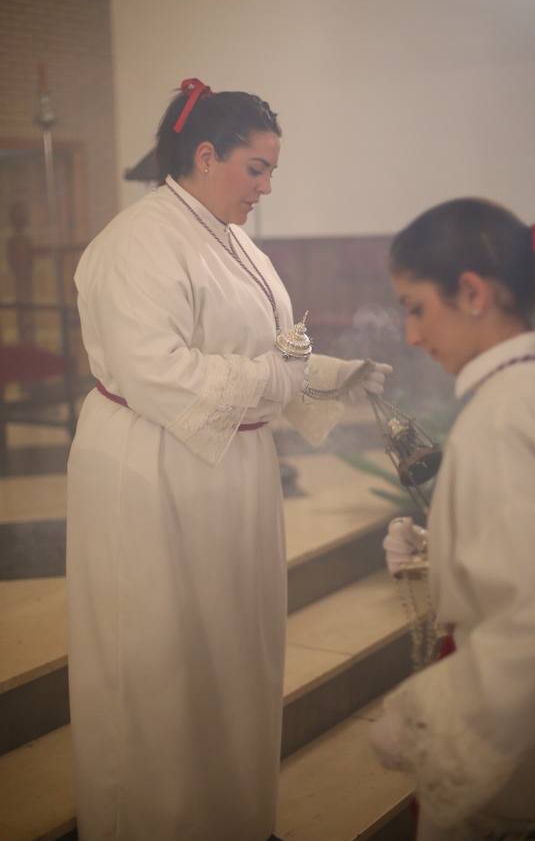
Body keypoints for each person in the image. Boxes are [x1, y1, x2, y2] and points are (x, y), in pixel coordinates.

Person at [67, 77, 392, 841]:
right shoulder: (136, 242)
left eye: (272, 170)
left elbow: (271, 351)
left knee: (235, 653)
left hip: (229, 471)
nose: (266, 187)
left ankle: (232, 819)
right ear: (205, 155)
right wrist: (283, 378)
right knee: (160, 661)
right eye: (256, 168)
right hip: (155, 472)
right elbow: (159, 374)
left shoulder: (233, 238)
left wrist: (327, 373)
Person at [371, 198, 535, 841]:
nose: (413, 335)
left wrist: (431, 721)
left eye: (416, 307)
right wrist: (437, 549)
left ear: (471, 292)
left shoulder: (503, 417)